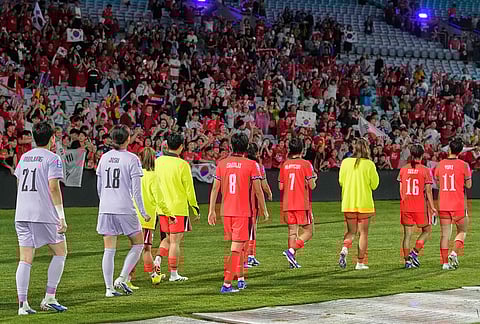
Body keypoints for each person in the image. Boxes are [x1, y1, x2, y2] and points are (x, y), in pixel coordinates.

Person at [14, 121, 68, 315]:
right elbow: (53, 187)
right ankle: (49, 297)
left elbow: (19, 181)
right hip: (42, 213)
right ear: (52, 139)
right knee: (60, 252)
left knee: (25, 259)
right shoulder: (53, 158)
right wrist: (61, 216)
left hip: (22, 213)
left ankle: (23, 305)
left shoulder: (24, 157)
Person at [208, 133, 267, 293]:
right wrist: (264, 209)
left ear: (231, 146)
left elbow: (215, 188)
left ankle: (240, 279)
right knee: (236, 247)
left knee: (239, 247)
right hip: (243, 212)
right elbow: (258, 190)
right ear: (246, 147)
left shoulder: (222, 163)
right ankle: (227, 284)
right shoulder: (251, 165)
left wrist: (211, 210)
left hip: (226, 211)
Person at [96, 124, 152, 297]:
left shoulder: (104, 157)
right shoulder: (132, 159)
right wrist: (143, 212)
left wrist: (104, 202)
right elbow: (137, 190)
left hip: (106, 208)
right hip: (124, 207)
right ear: (127, 139)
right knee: (138, 243)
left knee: (109, 250)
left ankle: (108, 289)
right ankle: (121, 278)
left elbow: (99, 186)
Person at [154, 133, 200, 282]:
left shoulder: (158, 162)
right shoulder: (182, 165)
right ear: (181, 147)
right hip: (177, 208)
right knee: (175, 241)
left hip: (161, 207)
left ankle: (158, 259)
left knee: (168, 238)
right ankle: (174, 274)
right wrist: (195, 207)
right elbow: (189, 189)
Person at [131, 147, 171, 286]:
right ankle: (151, 275)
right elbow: (159, 199)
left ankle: (149, 274)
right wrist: (169, 214)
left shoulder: (135, 174)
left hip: (133, 215)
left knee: (136, 247)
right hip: (146, 217)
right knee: (145, 248)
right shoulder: (153, 176)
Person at [338, 138, 379, 270]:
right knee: (363, 234)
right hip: (364, 204)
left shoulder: (345, 163)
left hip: (348, 202)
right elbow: (375, 185)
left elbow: (341, 181)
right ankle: (359, 263)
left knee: (351, 232)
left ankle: (345, 248)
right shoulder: (369, 164)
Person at [434, 138, 472, 270]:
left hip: (444, 204)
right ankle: (454, 253)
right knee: (462, 230)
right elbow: (468, 185)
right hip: (458, 204)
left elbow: (438, 184)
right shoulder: (464, 165)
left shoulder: (440, 164)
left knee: (445, 235)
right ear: (460, 151)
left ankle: (444, 263)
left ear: (449, 149)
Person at [279, 138, 317, 269]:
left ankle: (292, 261)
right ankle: (291, 251)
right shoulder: (306, 164)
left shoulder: (285, 164)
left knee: (292, 232)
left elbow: (280, 186)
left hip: (288, 202)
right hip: (301, 203)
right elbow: (312, 186)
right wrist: (314, 178)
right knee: (309, 231)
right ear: (302, 149)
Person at [397, 144, 437, 269]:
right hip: (419, 206)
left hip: (406, 205)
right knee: (427, 230)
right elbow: (429, 191)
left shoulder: (403, 169)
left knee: (407, 235)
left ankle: (407, 262)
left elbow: (401, 190)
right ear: (422, 155)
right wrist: (432, 207)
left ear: (411, 154)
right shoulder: (425, 170)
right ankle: (414, 253)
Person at [246, 143, 273, 267]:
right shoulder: (258, 166)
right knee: (252, 229)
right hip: (251, 202)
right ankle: (249, 256)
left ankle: (250, 256)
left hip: (237, 201)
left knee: (244, 229)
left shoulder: (241, 164)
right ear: (257, 153)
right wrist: (269, 193)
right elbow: (263, 185)